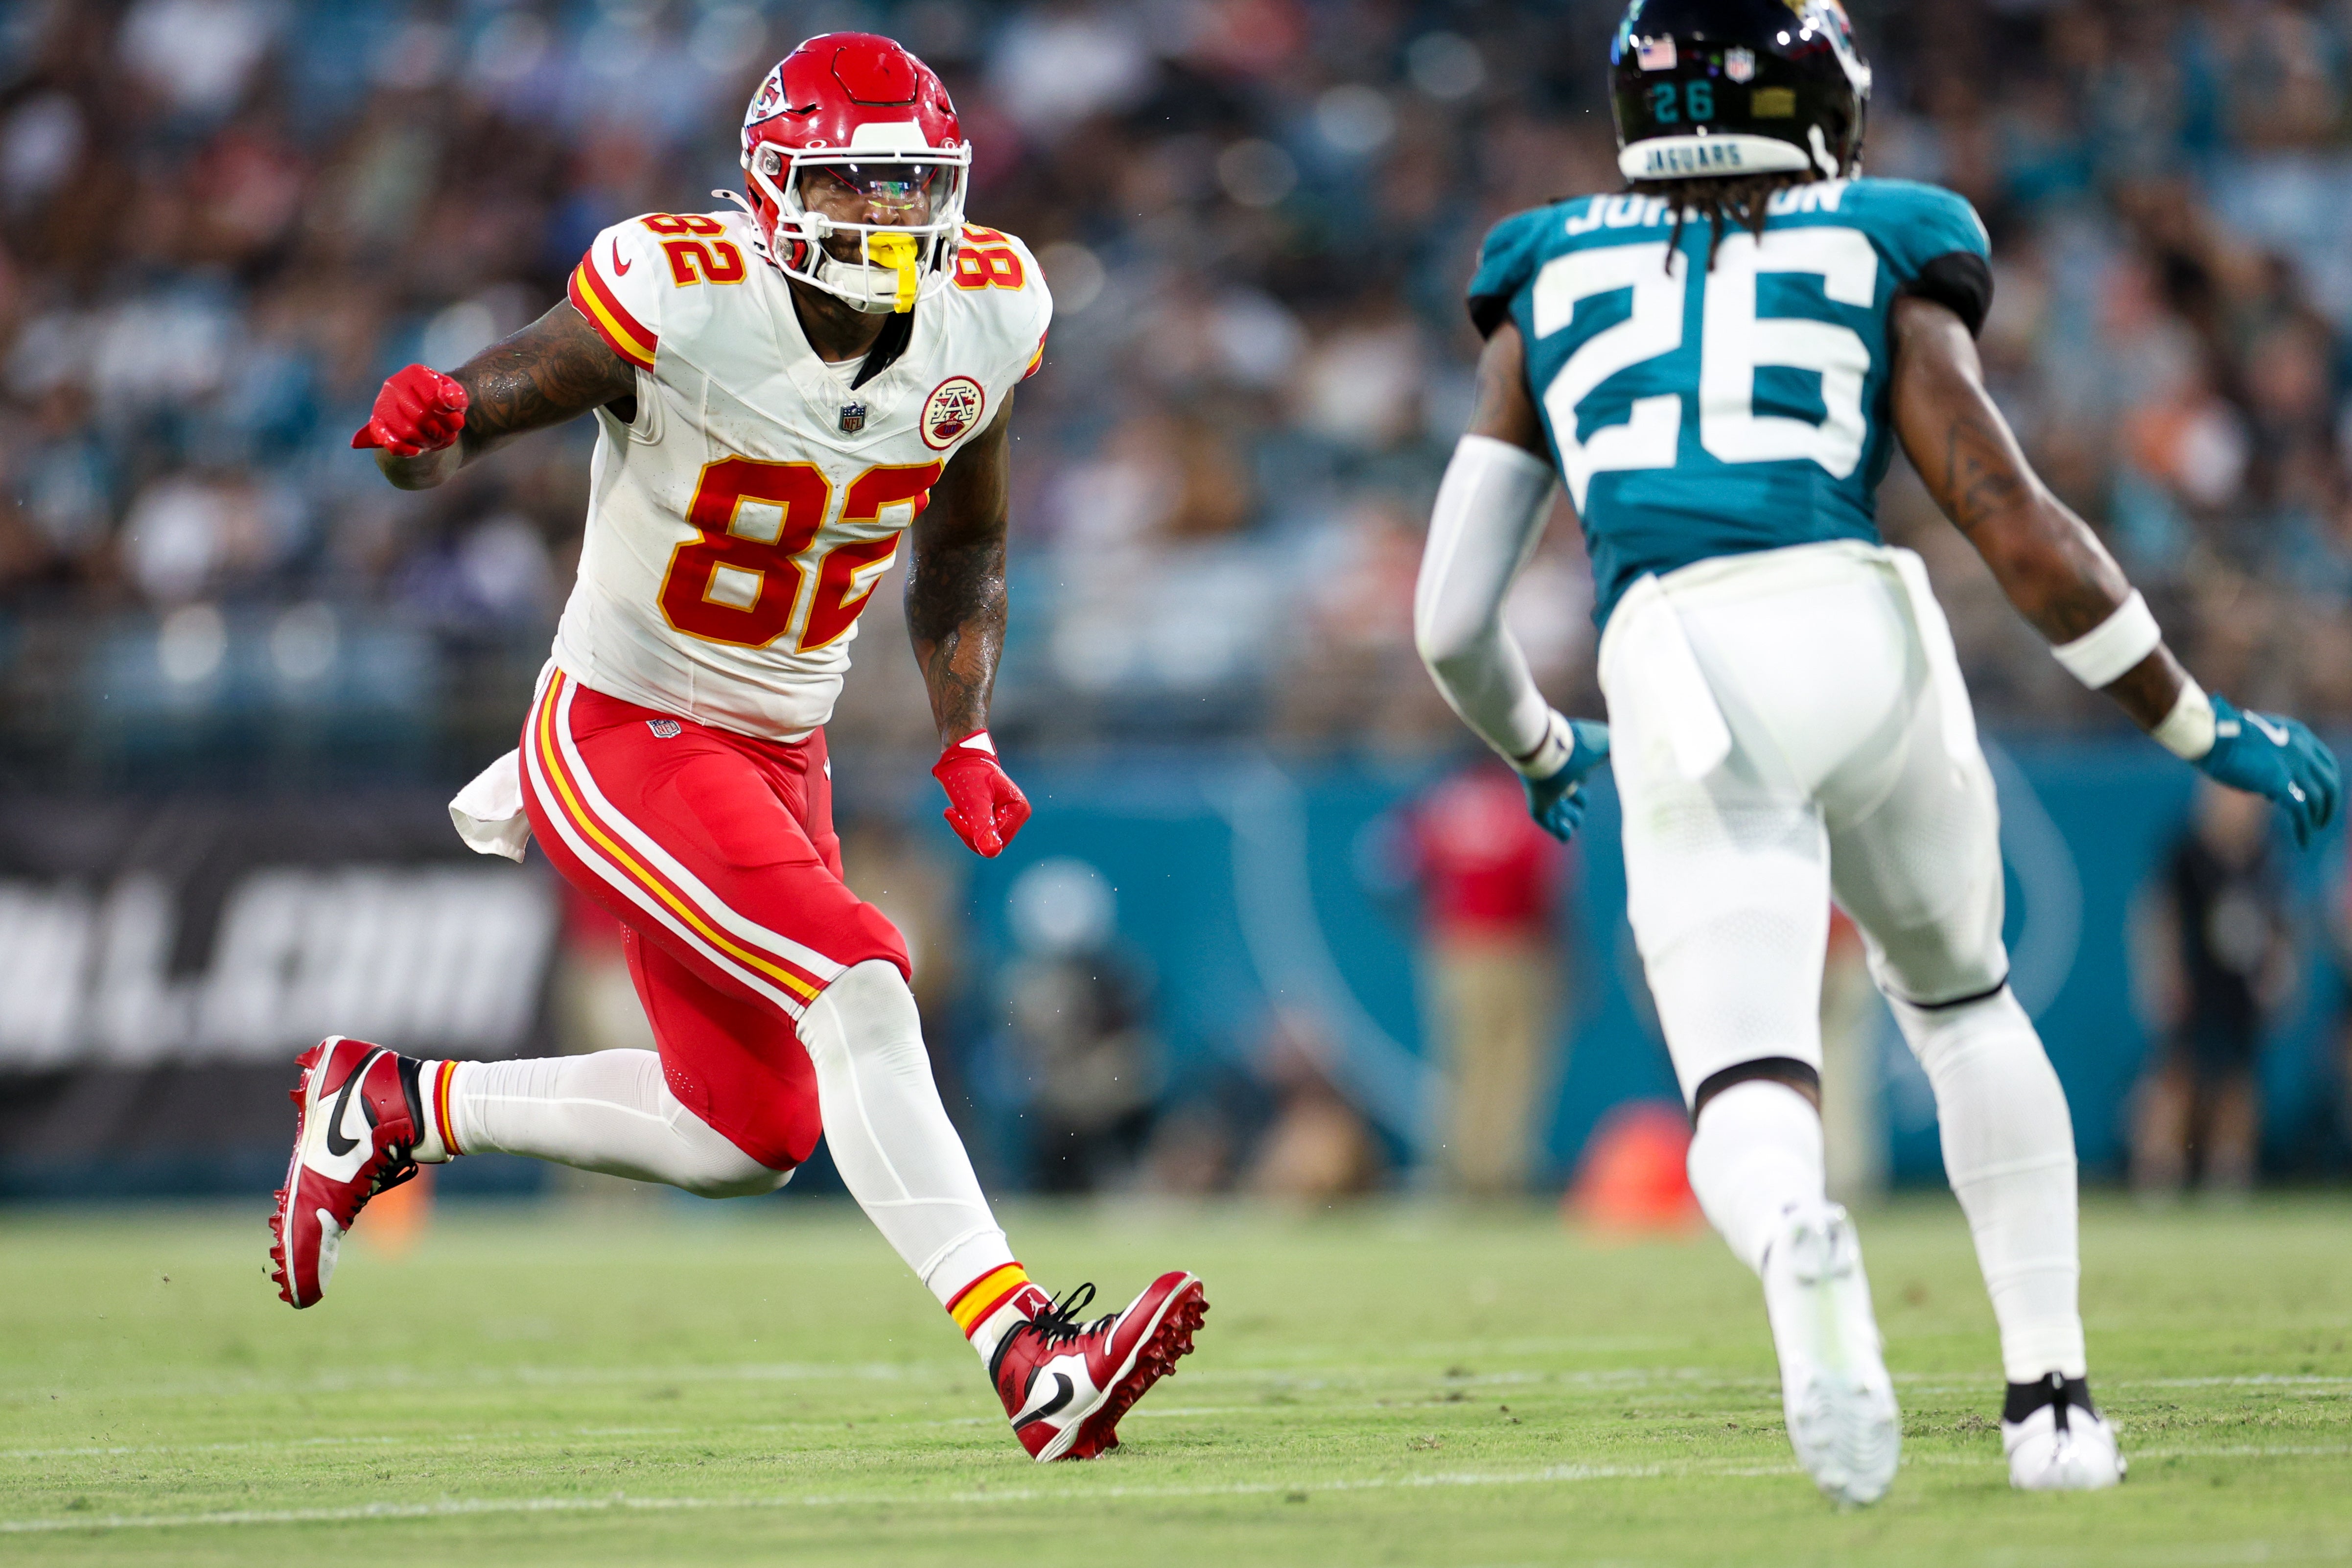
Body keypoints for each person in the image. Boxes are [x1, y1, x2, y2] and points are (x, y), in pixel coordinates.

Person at [1412, 0, 2339, 1505]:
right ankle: (2050, 1402)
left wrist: (1531, 741)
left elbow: (1449, 620)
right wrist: (2192, 717)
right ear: (1819, 104)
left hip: (1677, 659)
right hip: (1855, 625)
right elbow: (2004, 508)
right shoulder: (1883, 233)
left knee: (1745, 1075)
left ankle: (1794, 1236)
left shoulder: (1541, 264)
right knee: (1963, 1005)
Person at [268, 34, 1205, 1465]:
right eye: (857, 187)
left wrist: (967, 730)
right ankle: (1029, 1349)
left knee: (743, 1130)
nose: (892, 222)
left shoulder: (985, 308)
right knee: (861, 973)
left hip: (781, 741)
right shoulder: (678, 288)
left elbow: (963, 537)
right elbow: (492, 397)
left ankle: (392, 1099)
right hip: (628, 722)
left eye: (914, 190)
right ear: (774, 186)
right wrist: (424, 435)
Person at [1399, 757, 1568, 1196]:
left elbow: (1393, 871)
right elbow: (1547, 892)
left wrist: (1429, 926)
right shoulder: (1525, 803)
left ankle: (1456, 1170)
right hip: (1517, 945)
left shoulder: (1443, 803)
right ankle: (1500, 1172)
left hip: (1455, 945)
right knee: (1514, 1064)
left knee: (1460, 1063)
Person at [2133, 781, 2295, 1196]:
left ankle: (2229, 1170)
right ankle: (2159, 1169)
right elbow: (2159, 916)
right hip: (2195, 980)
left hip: (2240, 984)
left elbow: (2282, 920)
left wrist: (2278, 974)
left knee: (2238, 1079)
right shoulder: (2186, 852)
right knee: (2177, 1074)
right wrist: (2164, 976)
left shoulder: (2266, 854)